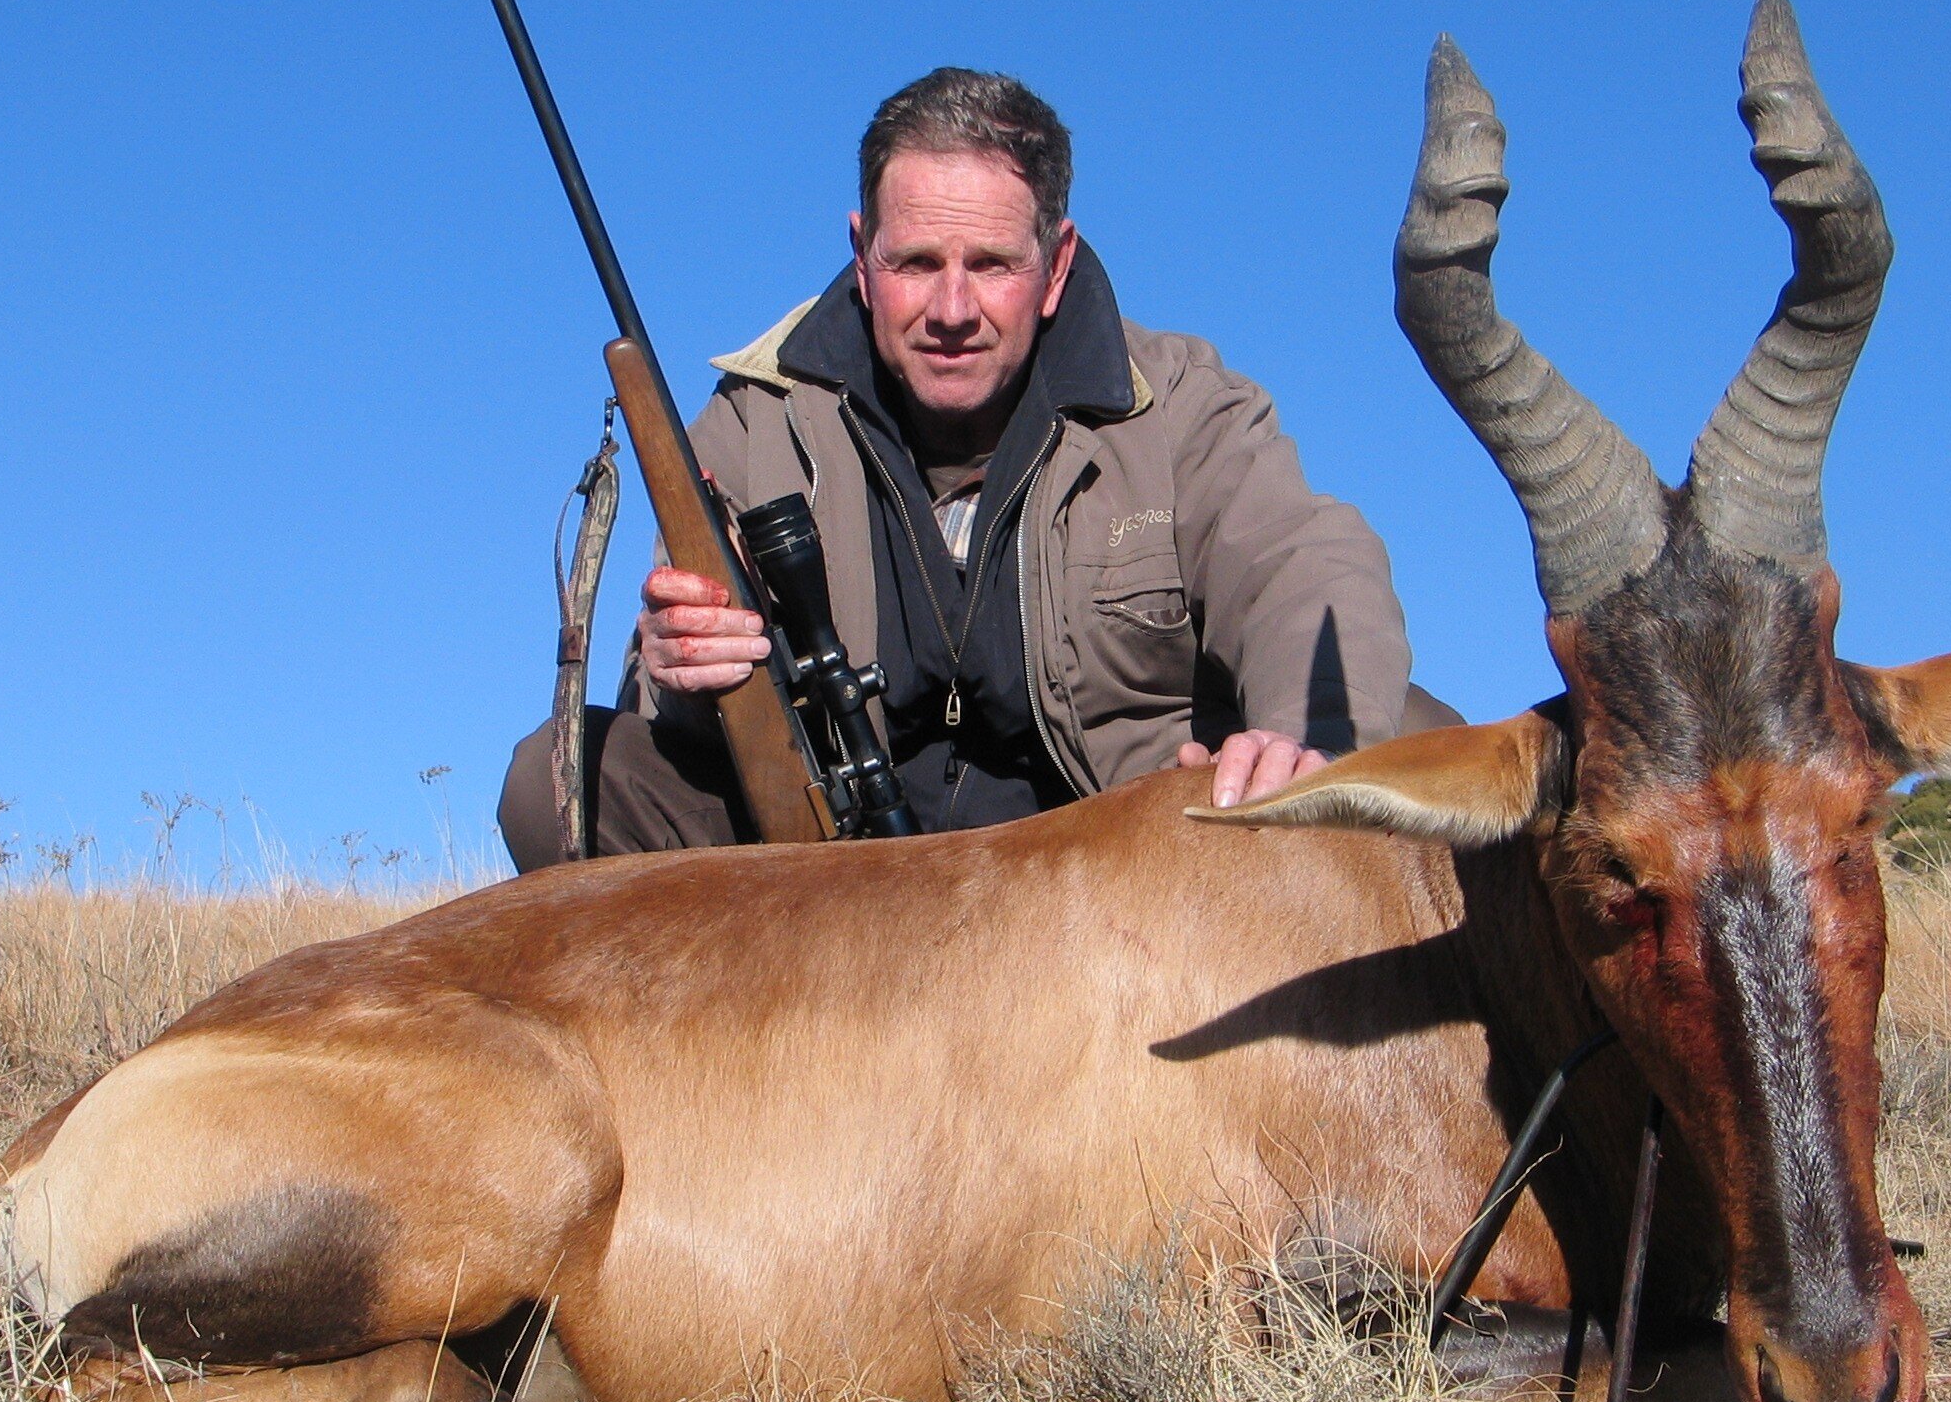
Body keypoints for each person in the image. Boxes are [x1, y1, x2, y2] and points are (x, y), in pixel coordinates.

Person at [500, 67, 1441, 866]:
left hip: (1114, 867)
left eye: (991, 263)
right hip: (837, 874)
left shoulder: (1180, 402)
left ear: (1056, 264)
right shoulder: (752, 424)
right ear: (861, 257)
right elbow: (668, 684)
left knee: (1414, 732)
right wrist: (679, 671)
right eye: (915, 262)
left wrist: (1303, 744)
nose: (952, 308)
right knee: (559, 782)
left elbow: (1306, 565)